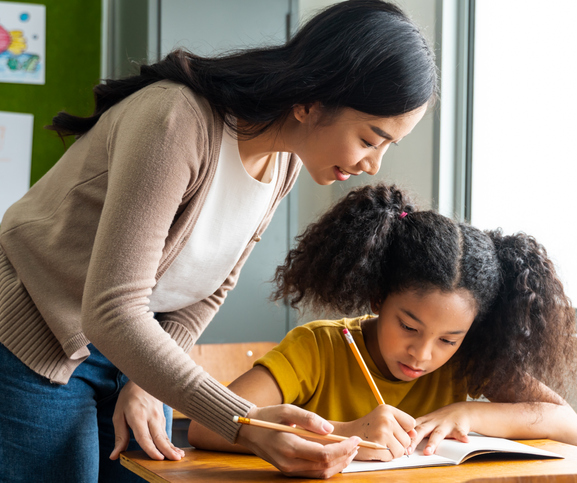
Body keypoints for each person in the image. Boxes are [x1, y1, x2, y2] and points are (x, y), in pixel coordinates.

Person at [0, 1, 436, 481]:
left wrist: (150, 383)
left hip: (134, 347)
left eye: (388, 146)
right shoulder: (176, 121)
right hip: (36, 335)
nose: (373, 165)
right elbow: (111, 309)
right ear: (311, 101)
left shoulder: (284, 161)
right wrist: (244, 424)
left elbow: (210, 288)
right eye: (371, 138)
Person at [186, 183, 577, 462]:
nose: (423, 353)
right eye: (409, 327)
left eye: (448, 339)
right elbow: (206, 427)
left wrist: (468, 412)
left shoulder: (468, 361)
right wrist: (346, 432)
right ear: (379, 297)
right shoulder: (320, 348)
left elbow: (572, 428)